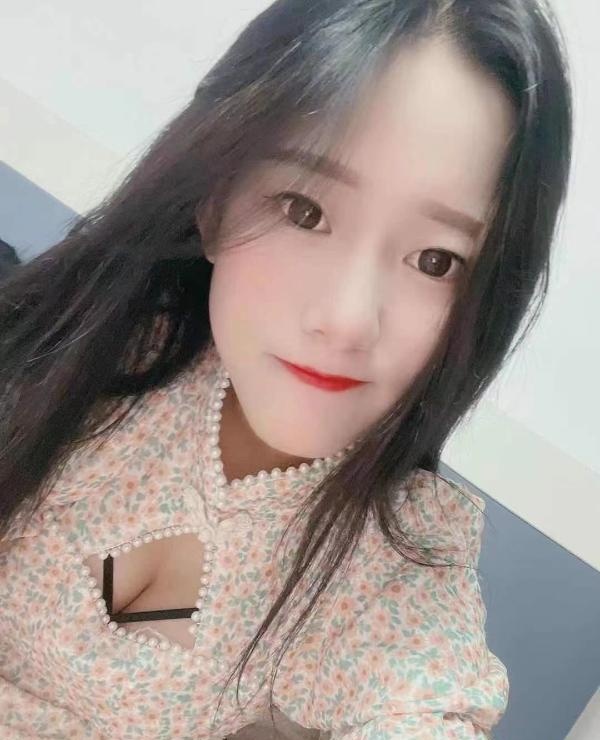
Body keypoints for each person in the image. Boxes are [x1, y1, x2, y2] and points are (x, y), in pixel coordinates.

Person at [0, 0, 572, 737]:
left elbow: (424, 703)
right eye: (304, 210)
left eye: (436, 261)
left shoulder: (382, 565)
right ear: (216, 200)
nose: (346, 317)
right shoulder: (101, 351)